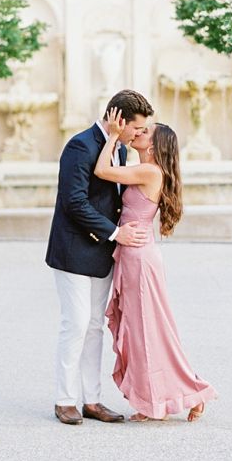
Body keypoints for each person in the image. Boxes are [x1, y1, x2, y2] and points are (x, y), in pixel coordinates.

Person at [94, 108, 216, 422]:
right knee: (143, 330)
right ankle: (163, 397)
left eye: (145, 132)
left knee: (148, 330)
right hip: (135, 255)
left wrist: (111, 135)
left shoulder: (150, 172)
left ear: (155, 145)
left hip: (139, 259)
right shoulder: (144, 167)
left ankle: (186, 392)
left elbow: (102, 171)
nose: (138, 133)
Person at [46, 89, 154, 425]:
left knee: (94, 326)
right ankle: (65, 400)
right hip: (74, 249)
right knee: (75, 324)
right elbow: (74, 201)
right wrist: (115, 233)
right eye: (136, 129)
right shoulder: (80, 145)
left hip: (103, 253)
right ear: (118, 120)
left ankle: (92, 400)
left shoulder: (117, 150)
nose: (139, 135)